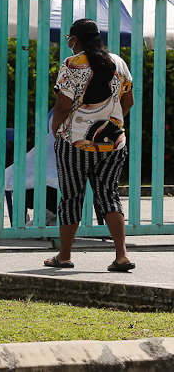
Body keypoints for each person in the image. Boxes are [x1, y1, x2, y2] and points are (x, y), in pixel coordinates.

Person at [44, 18, 135, 272]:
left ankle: (64, 256)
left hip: (75, 143)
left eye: (69, 39)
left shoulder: (71, 65)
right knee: (109, 195)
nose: (69, 43)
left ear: (75, 39)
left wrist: (56, 130)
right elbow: (128, 101)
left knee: (72, 196)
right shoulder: (118, 62)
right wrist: (110, 124)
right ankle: (122, 255)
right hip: (113, 143)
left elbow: (63, 106)